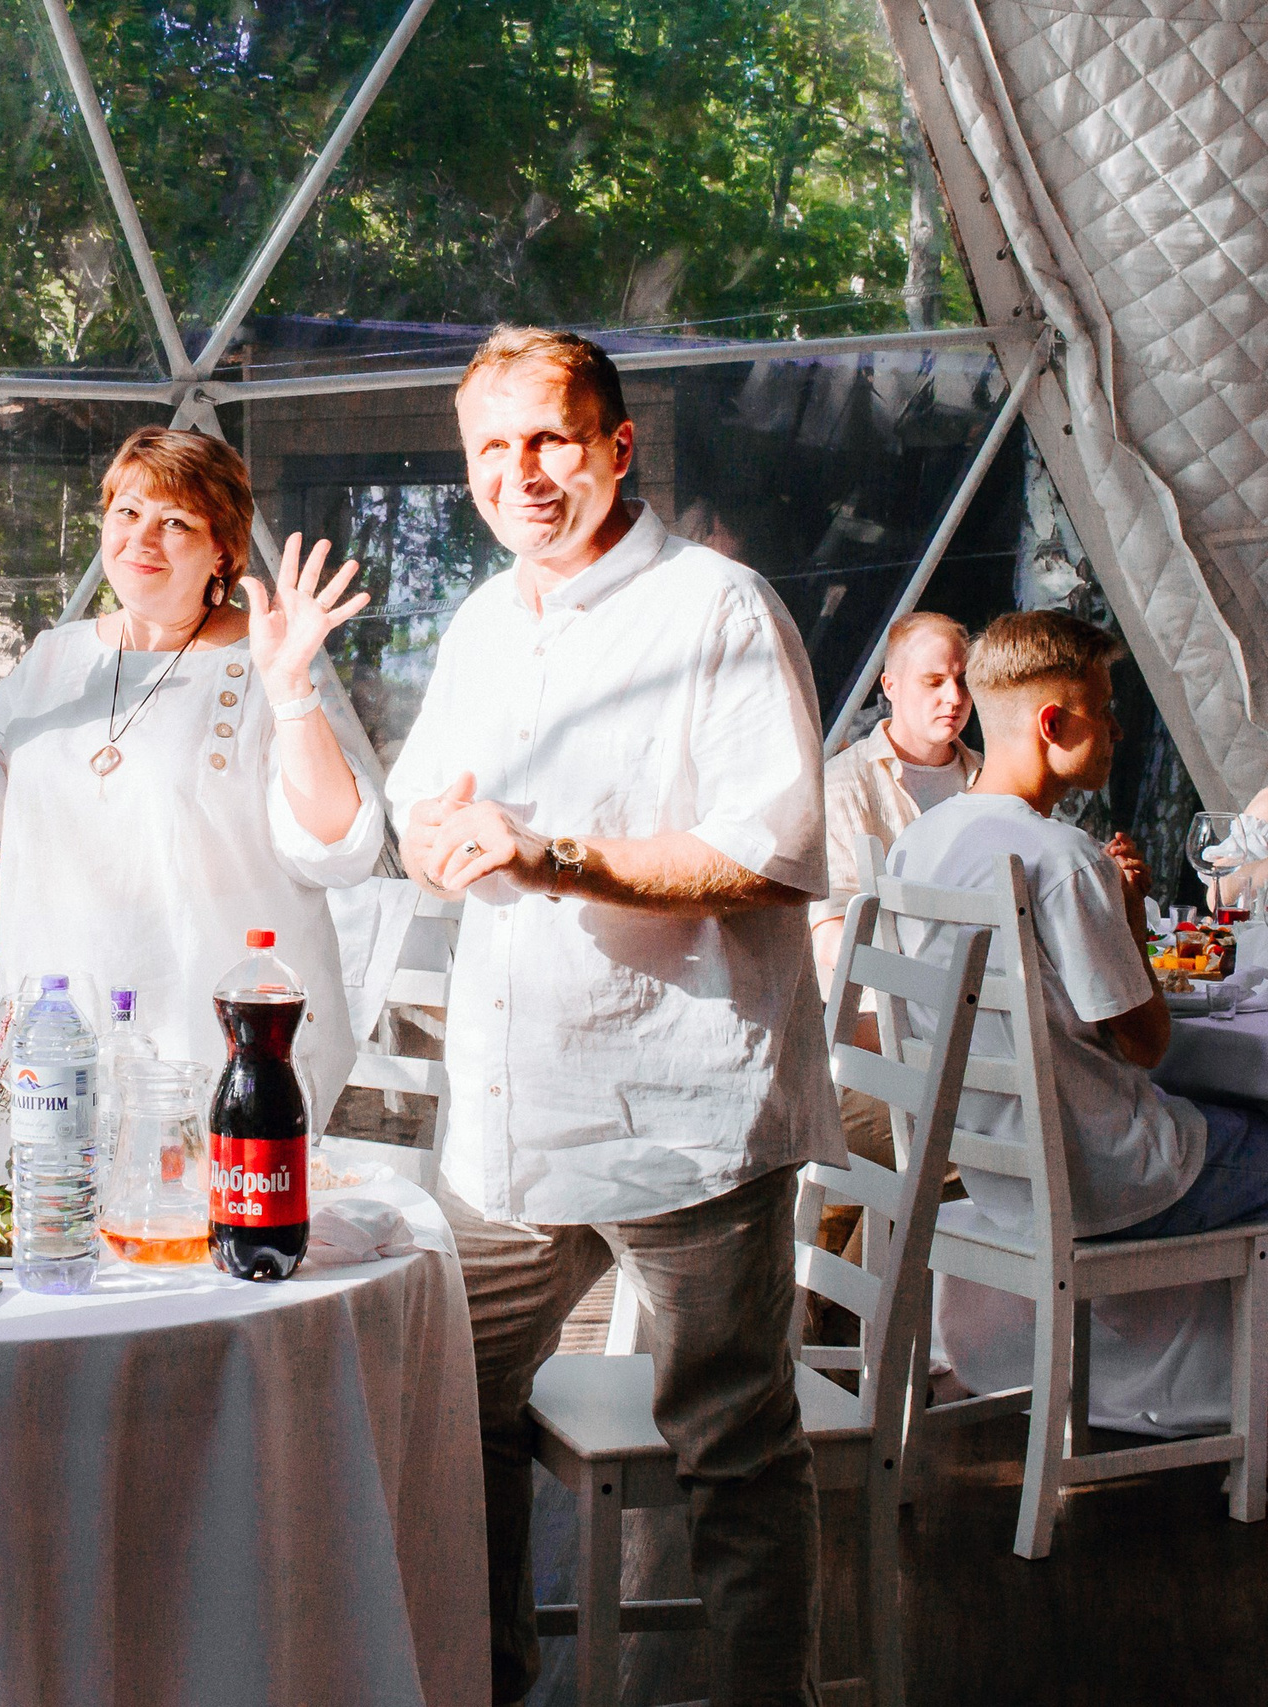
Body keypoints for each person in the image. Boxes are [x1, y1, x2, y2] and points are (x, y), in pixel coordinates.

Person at [387, 325, 840, 1706]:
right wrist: (437, 839)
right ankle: (493, 1678)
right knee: (449, 1406)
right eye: (491, 448)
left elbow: (770, 848)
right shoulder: (482, 619)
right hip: (513, 1125)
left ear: (618, 446)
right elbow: (428, 805)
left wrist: (555, 855)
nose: (521, 473)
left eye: (551, 440)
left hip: (685, 1115)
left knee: (735, 1453)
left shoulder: (718, 607)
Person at [0, 427, 384, 1123]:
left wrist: (293, 688)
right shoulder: (56, 658)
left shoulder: (269, 655)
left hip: (220, 1062)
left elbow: (335, 842)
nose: (141, 539)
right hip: (58, 1053)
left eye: (175, 521)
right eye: (127, 512)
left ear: (222, 552)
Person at [891, 614, 1268, 1421]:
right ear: (1053, 724)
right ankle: (1238, 1414)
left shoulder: (918, 845)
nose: (1120, 727)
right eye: (1106, 707)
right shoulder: (1060, 858)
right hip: (1117, 1182)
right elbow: (1148, 1043)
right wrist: (1129, 915)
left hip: (1002, 1178)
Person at [813, 610, 981, 981]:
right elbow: (829, 935)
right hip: (883, 1012)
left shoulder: (986, 775)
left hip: (983, 1005)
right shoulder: (844, 783)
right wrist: (929, 985)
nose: (953, 697)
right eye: (934, 682)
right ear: (891, 686)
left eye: (963, 681)